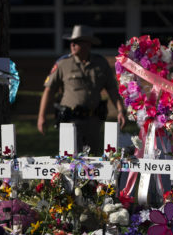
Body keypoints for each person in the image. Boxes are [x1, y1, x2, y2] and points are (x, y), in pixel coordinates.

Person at [37, 25, 126, 154]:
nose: (72, 45)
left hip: (93, 120)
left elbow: (112, 88)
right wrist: (41, 117)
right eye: (72, 42)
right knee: (71, 158)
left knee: (94, 158)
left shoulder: (100, 63)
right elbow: (49, 90)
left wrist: (120, 110)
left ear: (88, 44)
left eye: (77, 42)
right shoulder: (63, 64)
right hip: (70, 119)